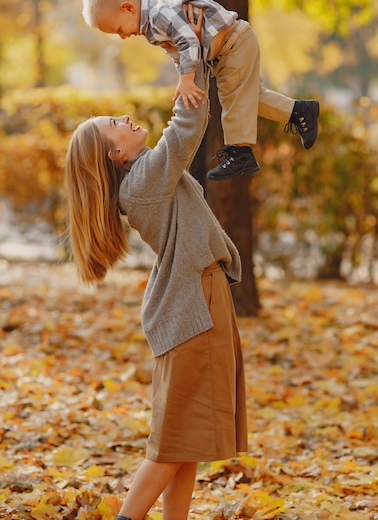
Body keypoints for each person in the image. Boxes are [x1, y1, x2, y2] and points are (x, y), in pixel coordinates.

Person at [64, 62, 247, 520]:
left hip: (197, 301)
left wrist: (194, 63)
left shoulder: (143, 177)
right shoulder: (143, 181)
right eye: (114, 126)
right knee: (173, 443)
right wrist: (192, 59)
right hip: (195, 307)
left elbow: (189, 127)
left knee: (185, 441)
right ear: (115, 155)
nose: (124, 119)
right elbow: (188, 126)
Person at [81, 0, 320, 180]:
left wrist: (187, 80)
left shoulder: (158, 16)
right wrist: (191, 88)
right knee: (249, 99)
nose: (122, 37)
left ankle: (240, 153)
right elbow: (181, 55)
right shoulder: (151, 26)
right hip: (233, 46)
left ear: (128, 8)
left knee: (233, 98)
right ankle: (299, 110)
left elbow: (188, 41)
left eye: (119, 29)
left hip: (233, 45)